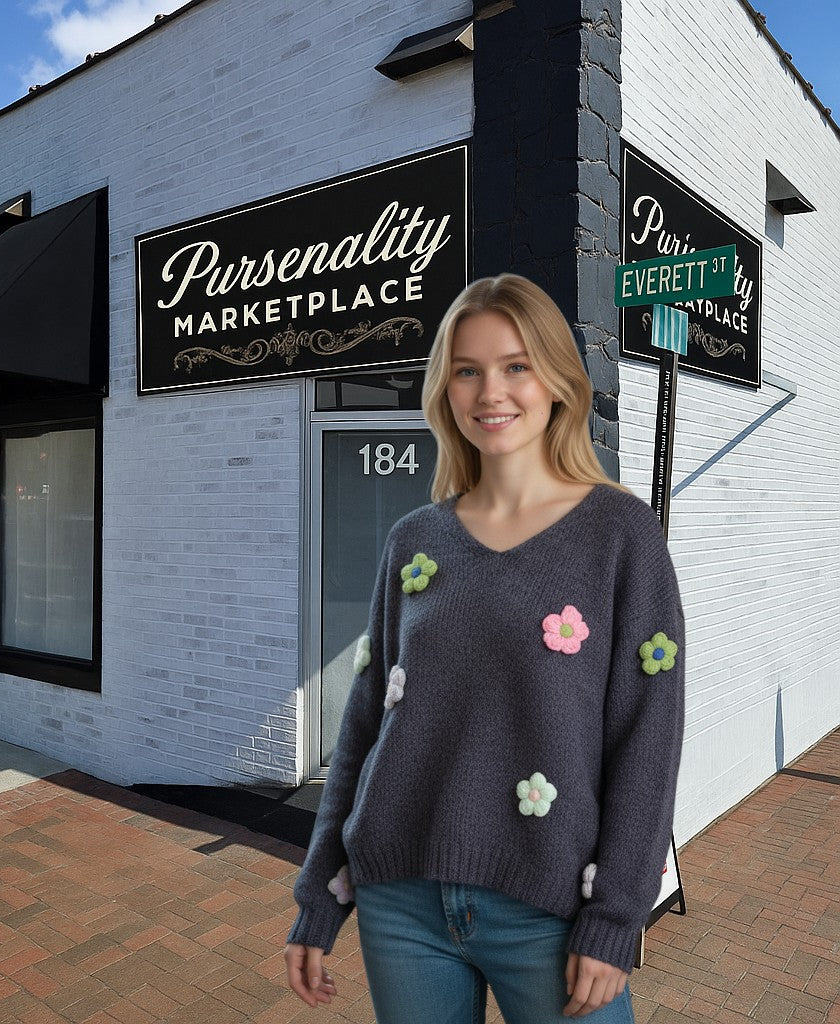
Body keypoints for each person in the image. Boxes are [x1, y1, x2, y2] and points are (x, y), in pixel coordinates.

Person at [283, 274, 686, 1023]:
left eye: (516, 366)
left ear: (559, 381)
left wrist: (617, 914)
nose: (490, 390)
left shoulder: (621, 537)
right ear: (445, 389)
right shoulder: (415, 540)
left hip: (553, 910)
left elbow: (648, 740)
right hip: (400, 904)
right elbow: (366, 724)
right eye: (467, 369)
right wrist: (318, 894)